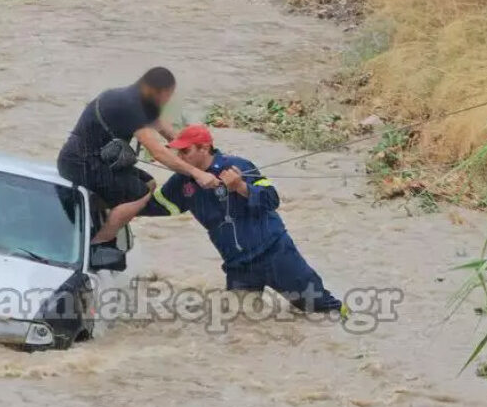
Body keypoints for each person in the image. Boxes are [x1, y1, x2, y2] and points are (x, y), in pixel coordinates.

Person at [140, 124, 344, 314]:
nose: (180, 157)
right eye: (178, 152)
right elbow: (156, 206)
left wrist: (241, 187)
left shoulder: (238, 165)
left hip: (275, 254)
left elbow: (272, 199)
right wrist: (121, 197)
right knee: (242, 327)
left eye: (186, 151)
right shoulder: (182, 182)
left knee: (320, 308)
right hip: (239, 267)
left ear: (204, 148)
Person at [58, 67, 220, 244]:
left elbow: (167, 132)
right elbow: (158, 152)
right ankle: (99, 243)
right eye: (169, 95)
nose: (169, 101)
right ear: (156, 91)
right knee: (138, 195)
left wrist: (195, 148)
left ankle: (98, 214)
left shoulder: (136, 98)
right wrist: (198, 173)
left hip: (97, 161)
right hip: (80, 163)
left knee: (148, 183)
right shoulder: (131, 106)